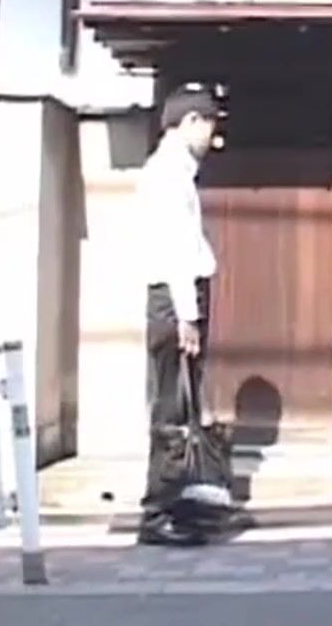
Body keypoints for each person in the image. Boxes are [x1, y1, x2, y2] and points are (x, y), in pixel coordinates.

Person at [138, 83, 221, 522]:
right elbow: (176, 249)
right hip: (175, 301)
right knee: (172, 406)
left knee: (183, 403)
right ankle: (159, 510)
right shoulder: (168, 173)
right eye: (209, 124)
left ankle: (181, 503)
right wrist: (188, 315)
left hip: (176, 297)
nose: (212, 136)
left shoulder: (176, 170)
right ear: (190, 120)